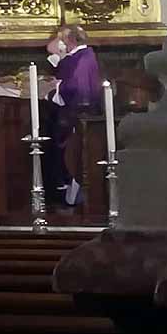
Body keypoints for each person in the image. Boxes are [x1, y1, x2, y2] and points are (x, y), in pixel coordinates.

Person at [44, 25, 103, 205]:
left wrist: (54, 92)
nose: (61, 43)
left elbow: (74, 86)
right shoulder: (81, 56)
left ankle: (69, 194)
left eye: (63, 39)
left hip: (77, 115)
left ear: (69, 40)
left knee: (72, 153)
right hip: (75, 113)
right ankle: (65, 189)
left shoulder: (82, 58)